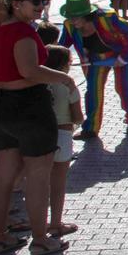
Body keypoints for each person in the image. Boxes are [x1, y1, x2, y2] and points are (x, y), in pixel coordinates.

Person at [0, 0, 80, 255]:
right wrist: (64, 78)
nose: (41, 6)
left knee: (4, 175)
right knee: (38, 176)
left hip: (1, 106)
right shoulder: (21, 32)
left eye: (44, 0)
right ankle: (41, 239)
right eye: (35, 1)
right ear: (16, 3)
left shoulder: (0, 30)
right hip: (28, 107)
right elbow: (29, 70)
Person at [59, 0, 128, 141]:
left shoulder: (108, 18)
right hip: (97, 58)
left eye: (76, 17)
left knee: (123, 87)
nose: (72, 20)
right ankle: (90, 129)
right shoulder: (70, 26)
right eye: (70, 16)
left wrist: (123, 58)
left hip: (121, 53)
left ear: (87, 14)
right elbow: (61, 47)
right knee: (93, 90)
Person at [43, 46, 80, 240]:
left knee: (38, 181)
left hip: (39, 133)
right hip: (63, 133)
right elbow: (78, 116)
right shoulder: (67, 83)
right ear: (65, 65)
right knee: (58, 182)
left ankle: (38, 225)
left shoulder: (37, 80)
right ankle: (56, 223)